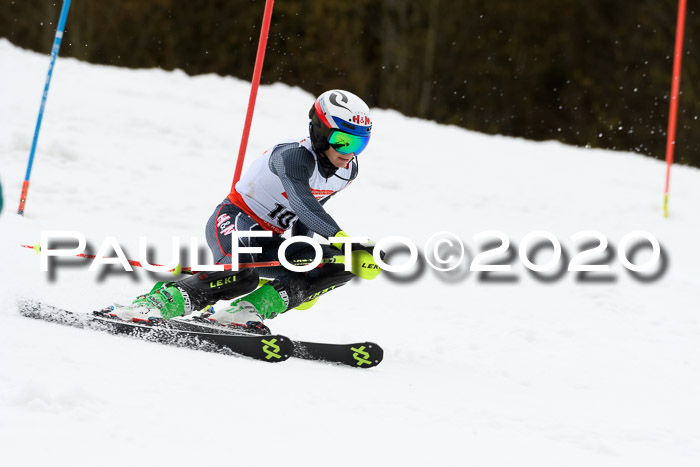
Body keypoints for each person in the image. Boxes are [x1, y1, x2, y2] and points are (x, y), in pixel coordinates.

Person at [109, 90, 382, 332]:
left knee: (345, 262)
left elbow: (310, 214)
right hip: (234, 219)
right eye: (343, 141)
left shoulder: (347, 170)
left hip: (269, 239)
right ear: (320, 133)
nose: (349, 153)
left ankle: (245, 312)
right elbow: (302, 203)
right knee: (240, 275)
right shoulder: (292, 156)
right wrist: (343, 239)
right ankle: (153, 304)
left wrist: (306, 275)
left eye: (359, 144)